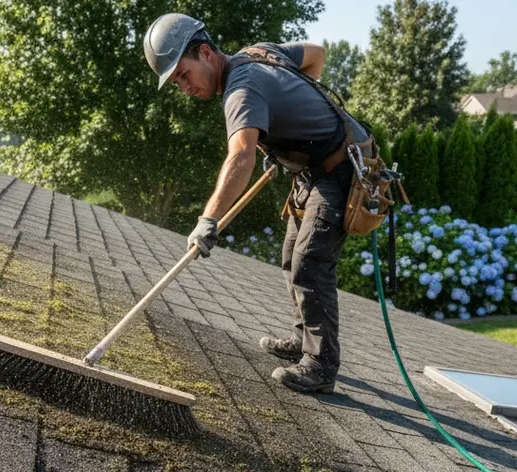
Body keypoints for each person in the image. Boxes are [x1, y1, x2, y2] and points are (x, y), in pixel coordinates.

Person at [143, 13, 371, 394]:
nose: (183, 87)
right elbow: (316, 54)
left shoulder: (241, 90)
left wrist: (208, 219)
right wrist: (287, 124)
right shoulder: (258, 53)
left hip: (341, 168)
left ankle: (320, 365)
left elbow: (240, 157)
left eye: (183, 74)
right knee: (290, 256)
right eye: (176, 83)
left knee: (310, 262)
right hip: (314, 169)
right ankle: (304, 341)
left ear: (204, 52)